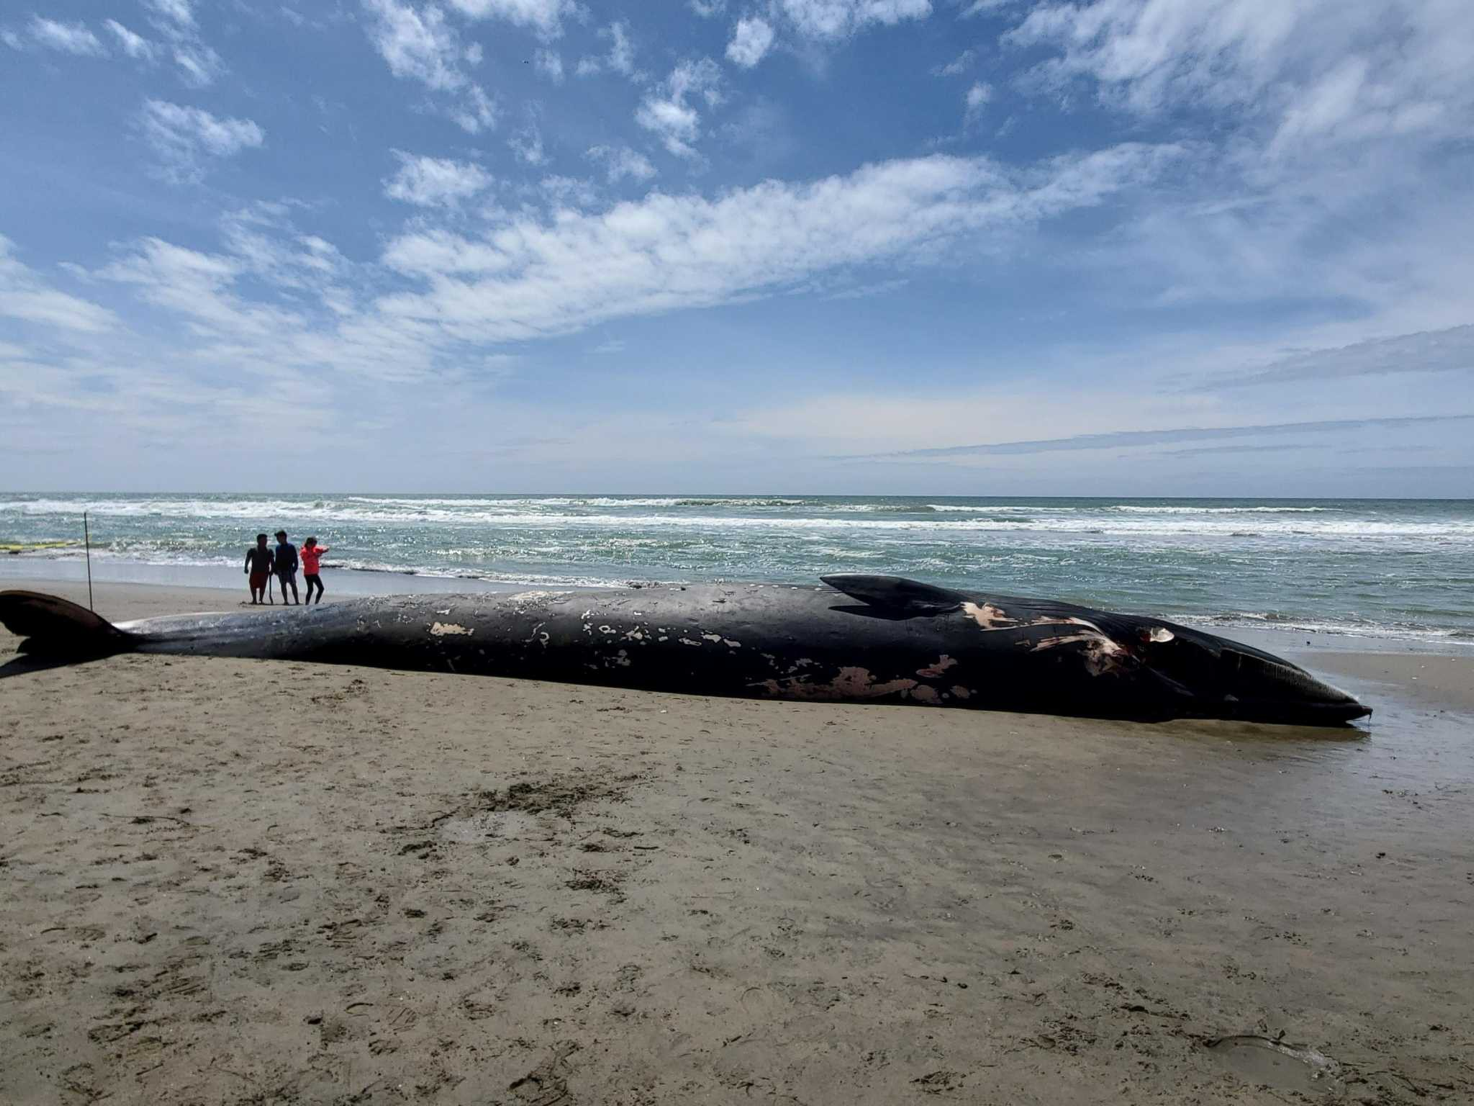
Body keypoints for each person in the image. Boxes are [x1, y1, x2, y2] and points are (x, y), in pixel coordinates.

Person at [244, 534, 273, 605]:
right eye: (263, 540)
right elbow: (247, 559)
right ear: (258, 541)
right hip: (254, 571)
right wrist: (245, 567)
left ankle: (260, 599)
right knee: (252, 585)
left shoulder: (269, 551)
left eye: (266, 540)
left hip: (264, 571)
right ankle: (254, 599)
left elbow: (272, 561)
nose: (265, 542)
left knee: (263, 585)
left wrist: (272, 570)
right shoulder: (252, 550)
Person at [274, 530, 300, 605]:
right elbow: (277, 559)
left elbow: (295, 558)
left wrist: (295, 567)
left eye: (278, 537)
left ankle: (296, 601)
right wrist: (275, 569)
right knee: (283, 584)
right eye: (277, 538)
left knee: (293, 584)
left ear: (284, 537)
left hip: (289, 568)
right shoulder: (277, 547)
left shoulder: (290, 547)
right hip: (280, 569)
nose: (278, 539)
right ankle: (285, 600)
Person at [301, 536, 329, 604]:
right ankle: (309, 603)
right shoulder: (304, 551)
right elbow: (305, 560)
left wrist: (325, 549)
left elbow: (324, 549)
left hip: (314, 572)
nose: (314, 546)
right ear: (308, 544)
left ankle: (314, 603)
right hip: (309, 573)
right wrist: (315, 556)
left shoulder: (314, 549)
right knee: (316, 589)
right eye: (313, 544)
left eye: (315, 544)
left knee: (314, 589)